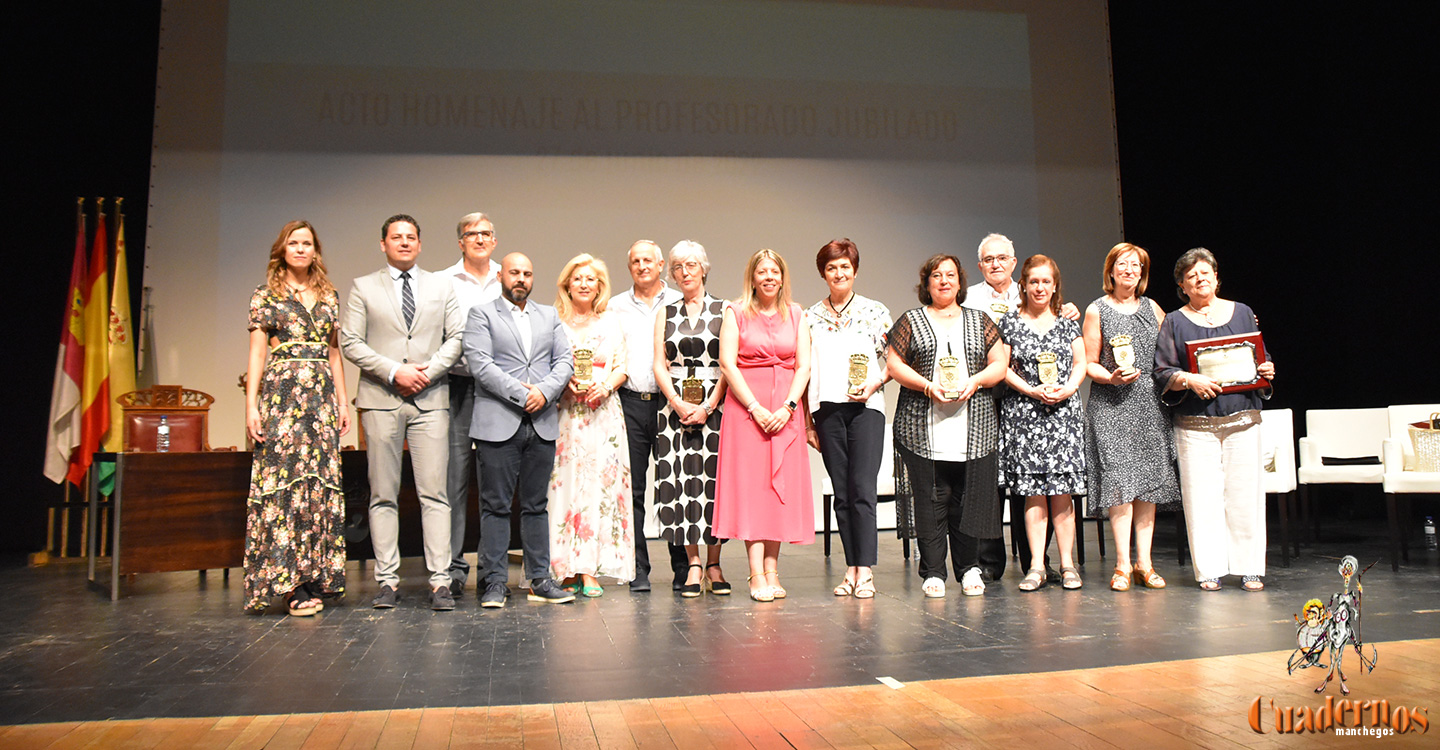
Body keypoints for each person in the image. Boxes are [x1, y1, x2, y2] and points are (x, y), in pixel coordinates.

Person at [340, 214, 464, 611]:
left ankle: (440, 582)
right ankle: (387, 582)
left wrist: (425, 372)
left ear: (420, 244)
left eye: (411, 237)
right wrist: (395, 371)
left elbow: (457, 338)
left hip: (430, 399)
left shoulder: (442, 286)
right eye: (397, 237)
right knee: (383, 493)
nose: (405, 243)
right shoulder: (363, 288)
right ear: (383, 244)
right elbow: (351, 342)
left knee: (435, 494)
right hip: (381, 398)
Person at [242, 220, 349, 615]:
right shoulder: (265, 294)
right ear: (282, 250)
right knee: (286, 484)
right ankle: (289, 584)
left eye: (307, 243)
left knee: (317, 484)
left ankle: (314, 575)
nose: (301, 249)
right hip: (283, 396)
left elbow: (334, 353)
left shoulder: (329, 295)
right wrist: (251, 406)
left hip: (320, 398)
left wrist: (342, 401)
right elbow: (257, 353)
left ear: (315, 250)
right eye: (294, 243)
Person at [886, 255, 1007, 598]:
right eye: (936, 275)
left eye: (950, 275)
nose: (943, 281)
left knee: (968, 500)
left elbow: (999, 364)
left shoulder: (979, 320)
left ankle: (969, 568)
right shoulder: (911, 320)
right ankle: (933, 571)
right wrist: (926, 385)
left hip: (973, 427)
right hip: (922, 427)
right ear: (926, 284)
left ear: (959, 281)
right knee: (931, 499)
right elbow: (894, 365)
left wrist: (976, 381)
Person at [1154, 248, 1275, 592]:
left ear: (1217, 277)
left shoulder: (1243, 312)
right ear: (1182, 285)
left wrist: (1266, 369)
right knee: (1201, 498)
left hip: (1242, 418)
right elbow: (1162, 370)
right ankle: (1209, 569)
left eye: (1205, 272)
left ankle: (1250, 567)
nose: (1200, 278)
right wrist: (1189, 380)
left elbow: (1260, 359)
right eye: (1191, 276)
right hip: (1196, 423)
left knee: (1245, 494)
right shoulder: (1175, 321)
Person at [962, 233, 1078, 584]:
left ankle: (1036, 560)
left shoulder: (1037, 295)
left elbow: (1068, 342)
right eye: (988, 259)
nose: (996, 264)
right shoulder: (968, 299)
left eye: (1002, 258)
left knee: (1035, 484)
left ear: (1014, 263)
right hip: (986, 395)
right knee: (992, 481)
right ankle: (990, 562)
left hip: (1030, 400)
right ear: (980, 265)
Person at [465, 252, 577, 608]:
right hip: (499, 420)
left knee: (536, 505)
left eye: (527, 273)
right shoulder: (482, 314)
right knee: (495, 506)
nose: (521, 279)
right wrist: (522, 393)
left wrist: (543, 391)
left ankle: (540, 578)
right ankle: (494, 582)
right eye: (515, 272)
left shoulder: (549, 315)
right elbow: (480, 364)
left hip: (541, 422)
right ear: (501, 275)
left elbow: (565, 361)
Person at [714, 249, 814, 602]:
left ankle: (773, 569)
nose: (769, 276)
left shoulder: (798, 313)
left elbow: (803, 366)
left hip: (785, 411)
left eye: (775, 271)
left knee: (777, 492)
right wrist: (755, 407)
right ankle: (755, 573)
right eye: (762, 271)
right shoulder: (736, 312)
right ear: (752, 278)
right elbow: (727, 364)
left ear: (783, 277)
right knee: (753, 492)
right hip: (746, 411)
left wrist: (789, 407)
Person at [1082, 242, 1181, 591]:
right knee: (1120, 485)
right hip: (1112, 404)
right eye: (1122, 264)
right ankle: (1122, 564)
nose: (1129, 270)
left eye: (1136, 265)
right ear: (1111, 270)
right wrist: (1110, 376)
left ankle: (1145, 563)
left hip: (1149, 404)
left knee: (1148, 486)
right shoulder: (1097, 309)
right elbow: (1089, 362)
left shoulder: (1153, 307)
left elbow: (1175, 344)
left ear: (1143, 272)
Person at [804, 239, 891, 599]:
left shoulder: (875, 311)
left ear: (855, 270)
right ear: (823, 273)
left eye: (845, 267)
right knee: (842, 493)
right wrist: (808, 422)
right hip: (827, 410)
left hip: (866, 409)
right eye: (832, 268)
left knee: (862, 490)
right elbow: (804, 369)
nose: (839, 273)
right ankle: (850, 567)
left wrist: (874, 382)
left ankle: (865, 570)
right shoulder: (809, 317)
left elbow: (895, 362)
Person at [1000, 255, 1087, 592]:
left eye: (1045, 282)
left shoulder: (1067, 323)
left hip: (1062, 415)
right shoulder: (1009, 322)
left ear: (1054, 286)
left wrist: (1068, 388)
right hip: (1024, 413)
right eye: (1033, 281)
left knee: (1062, 493)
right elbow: (1002, 367)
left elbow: (1080, 362)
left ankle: (1067, 564)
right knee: (1033, 493)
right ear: (1023, 284)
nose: (1039, 287)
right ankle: (1036, 565)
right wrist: (1031, 390)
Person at [548, 254, 633, 597]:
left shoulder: (610, 321)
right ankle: (566, 567)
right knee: (565, 486)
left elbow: (622, 365)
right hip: (568, 414)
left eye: (591, 279)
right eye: (578, 278)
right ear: (567, 283)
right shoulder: (554, 321)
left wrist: (607, 385)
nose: (584, 284)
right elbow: (546, 364)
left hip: (604, 414)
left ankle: (591, 569)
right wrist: (563, 384)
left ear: (600, 286)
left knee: (601, 487)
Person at [651, 241, 730, 597]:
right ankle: (693, 563)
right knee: (682, 485)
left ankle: (714, 563)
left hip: (717, 405)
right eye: (678, 267)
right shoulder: (665, 312)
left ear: (704, 268)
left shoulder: (724, 309)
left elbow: (730, 364)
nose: (684, 272)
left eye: (691, 265)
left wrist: (710, 405)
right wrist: (677, 402)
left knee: (715, 483)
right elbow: (658, 363)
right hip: (675, 409)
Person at [609, 240, 685, 592]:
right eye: (635, 261)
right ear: (630, 268)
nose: (642, 266)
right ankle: (638, 568)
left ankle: (684, 567)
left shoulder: (680, 301)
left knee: (673, 487)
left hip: (672, 404)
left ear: (660, 266)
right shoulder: (613, 307)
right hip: (631, 403)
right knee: (634, 490)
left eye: (648, 261)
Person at [441, 212, 503, 598]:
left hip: (499, 391)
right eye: (471, 234)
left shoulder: (508, 276)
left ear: (494, 240)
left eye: (485, 234)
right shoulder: (443, 282)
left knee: (495, 484)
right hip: (458, 387)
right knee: (454, 480)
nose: (479, 239)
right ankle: (451, 567)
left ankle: (492, 570)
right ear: (460, 242)